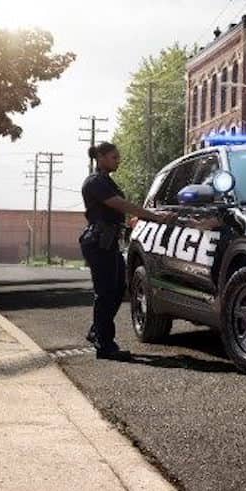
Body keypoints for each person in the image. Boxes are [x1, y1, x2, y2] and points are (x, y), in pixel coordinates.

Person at [81, 142, 174, 361]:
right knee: (105, 293)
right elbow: (120, 204)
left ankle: (97, 331)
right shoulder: (96, 182)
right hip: (99, 242)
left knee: (117, 289)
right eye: (114, 157)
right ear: (101, 157)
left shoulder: (105, 181)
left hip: (109, 241)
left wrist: (130, 221)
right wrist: (154, 216)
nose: (118, 161)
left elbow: (114, 211)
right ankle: (104, 345)